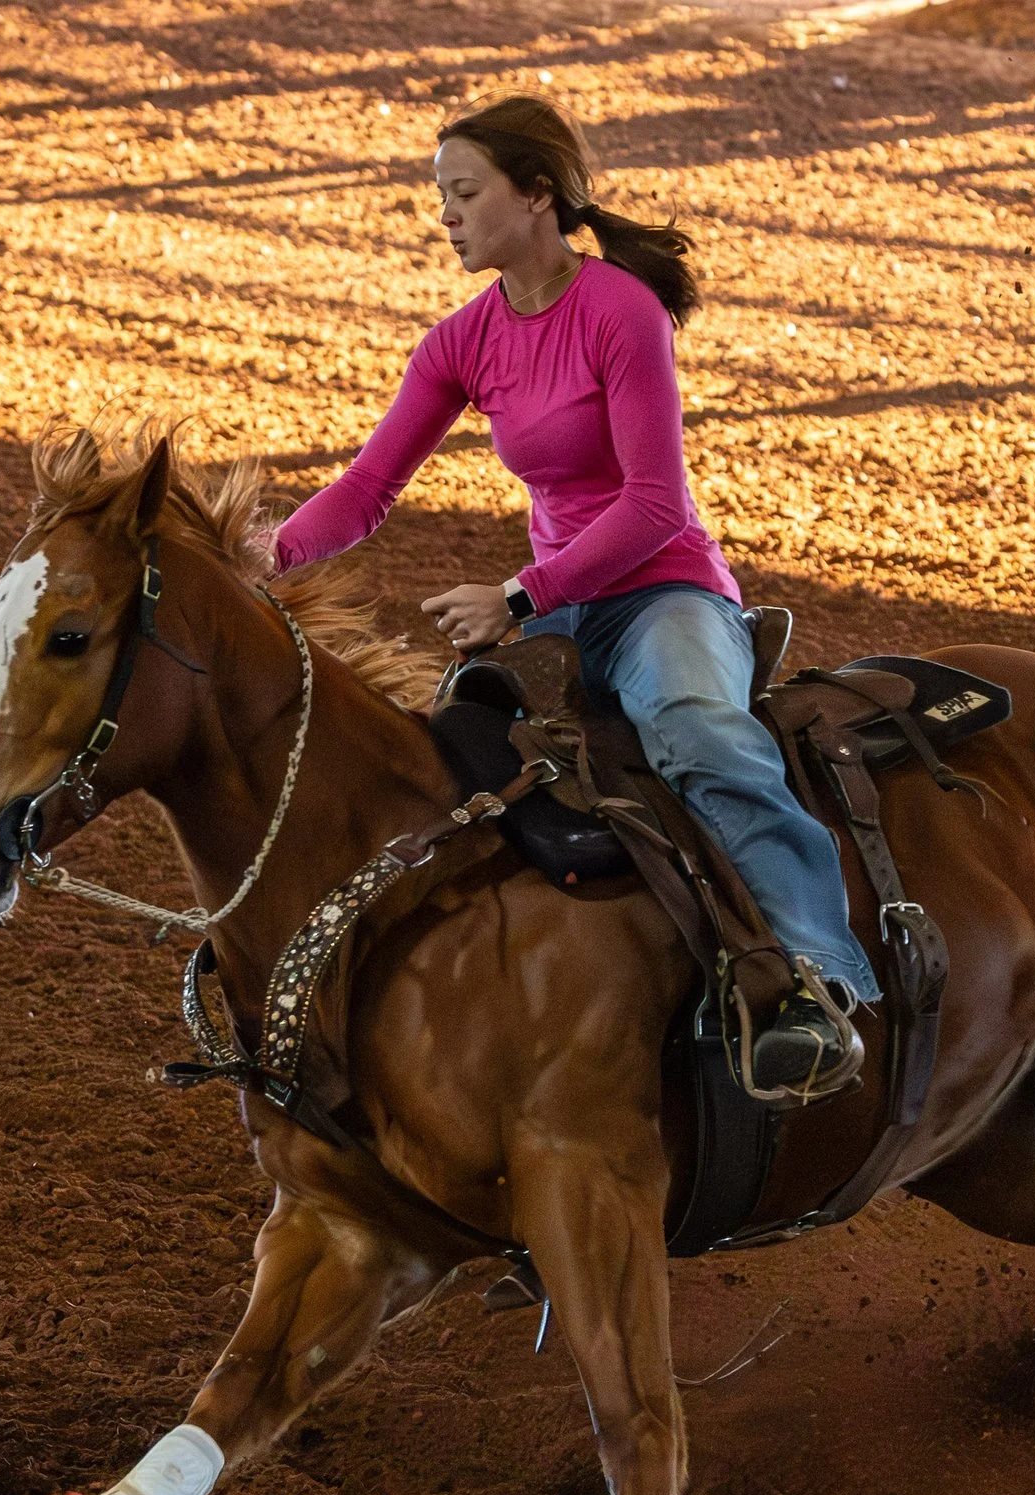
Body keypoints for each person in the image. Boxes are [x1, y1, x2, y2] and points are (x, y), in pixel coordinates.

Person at [269, 95, 879, 1097]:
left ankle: (815, 981)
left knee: (692, 724)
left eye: (464, 193)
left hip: (659, 592)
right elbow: (368, 488)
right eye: (439, 197)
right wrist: (273, 553)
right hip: (551, 611)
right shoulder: (461, 341)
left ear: (538, 195)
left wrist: (519, 594)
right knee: (447, 766)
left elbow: (652, 505)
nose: (446, 216)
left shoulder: (619, 312)